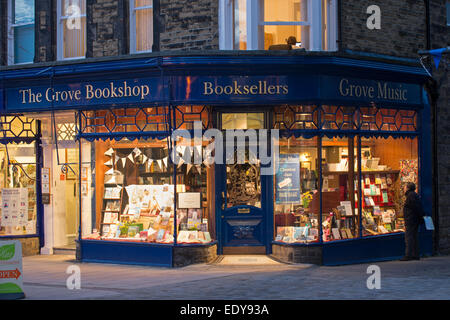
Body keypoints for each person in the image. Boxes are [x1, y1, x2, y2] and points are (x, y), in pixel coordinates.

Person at [400, 182, 424, 261]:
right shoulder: (413, 195)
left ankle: (408, 255)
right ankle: (415, 254)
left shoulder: (411, 196)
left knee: (409, 237)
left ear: (408, 188)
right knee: (414, 236)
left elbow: (415, 207)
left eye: (404, 187)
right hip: (414, 219)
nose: (403, 189)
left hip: (411, 220)